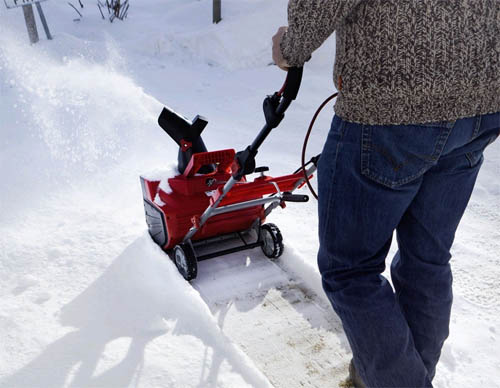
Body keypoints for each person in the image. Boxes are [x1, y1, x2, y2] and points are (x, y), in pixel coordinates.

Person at [272, 1, 500, 387]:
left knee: (350, 270)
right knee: (426, 260)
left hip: (391, 107)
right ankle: (387, 376)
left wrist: (289, 46)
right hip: (479, 105)